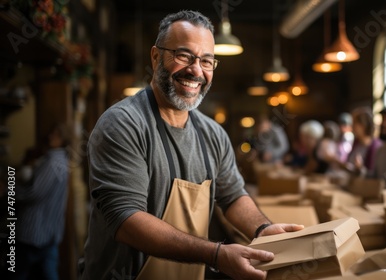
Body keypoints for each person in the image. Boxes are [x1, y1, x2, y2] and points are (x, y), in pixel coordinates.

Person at [80, 10, 303, 280]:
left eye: (207, 61)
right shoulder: (123, 124)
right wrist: (217, 254)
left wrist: (262, 229)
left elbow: (232, 195)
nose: (196, 71)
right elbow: (126, 219)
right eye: (184, 56)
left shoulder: (213, 134)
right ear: (156, 56)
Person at [10, 124, 70, 280]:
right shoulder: (61, 160)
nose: (51, 137)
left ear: (63, 140)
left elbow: (34, 192)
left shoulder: (53, 163)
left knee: (17, 273)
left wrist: (10, 190)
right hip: (48, 231)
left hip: (35, 231)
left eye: (56, 135)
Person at [339, 107, 382, 176]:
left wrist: (361, 169)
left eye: (355, 123)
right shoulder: (356, 142)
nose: (352, 126)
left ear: (364, 125)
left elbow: (374, 174)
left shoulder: (375, 146)